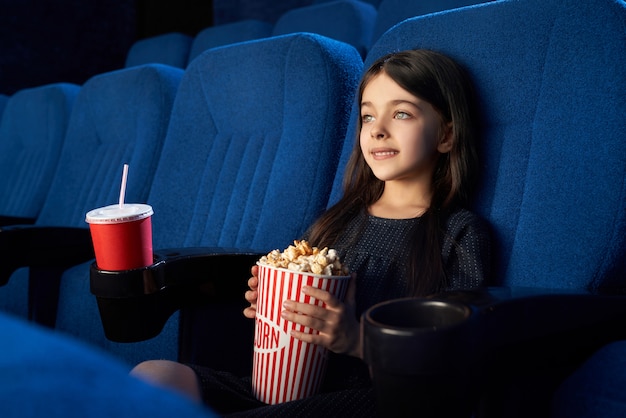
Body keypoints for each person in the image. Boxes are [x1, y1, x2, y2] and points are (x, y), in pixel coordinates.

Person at [130, 49, 492, 416]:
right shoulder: (337, 221)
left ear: (446, 134)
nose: (378, 129)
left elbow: (451, 360)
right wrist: (274, 307)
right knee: (151, 376)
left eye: (401, 113)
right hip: (294, 384)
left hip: (375, 398)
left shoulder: (459, 233)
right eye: (368, 116)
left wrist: (356, 339)